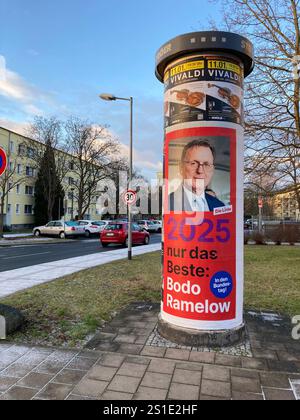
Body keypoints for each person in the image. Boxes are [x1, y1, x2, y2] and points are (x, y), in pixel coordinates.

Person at [169, 139, 225, 212]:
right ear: (181, 168)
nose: (200, 171)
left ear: (212, 170)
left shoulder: (219, 206)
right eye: (193, 163)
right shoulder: (167, 204)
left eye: (206, 164)